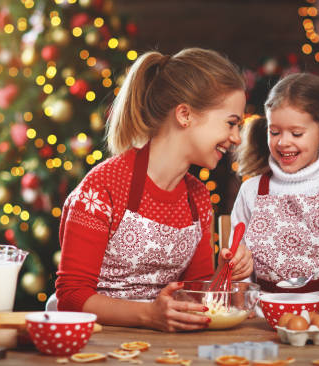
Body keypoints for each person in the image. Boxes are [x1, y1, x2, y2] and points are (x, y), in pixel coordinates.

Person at [53, 48, 253, 332]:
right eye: (231, 123)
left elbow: (194, 297)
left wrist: (226, 273)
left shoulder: (197, 197)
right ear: (185, 115)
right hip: (98, 344)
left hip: (164, 346)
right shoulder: (103, 187)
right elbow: (72, 298)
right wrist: (149, 315)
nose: (235, 138)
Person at [231, 72, 319, 314]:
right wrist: (239, 292)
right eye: (274, 132)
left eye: (296, 134)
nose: (283, 142)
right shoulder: (251, 190)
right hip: (261, 315)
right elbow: (238, 260)